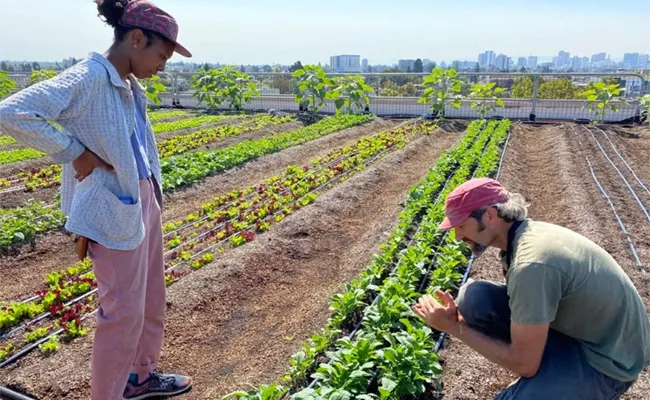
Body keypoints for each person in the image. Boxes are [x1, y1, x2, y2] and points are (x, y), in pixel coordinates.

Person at [0, 0, 193, 398]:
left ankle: (140, 377)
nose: (163, 66)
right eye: (162, 55)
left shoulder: (127, 83)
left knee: (150, 300)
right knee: (121, 312)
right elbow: (12, 111)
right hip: (109, 207)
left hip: (140, 201)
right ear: (137, 39)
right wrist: (76, 153)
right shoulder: (88, 77)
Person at [413, 177, 650, 400]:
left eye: (462, 226)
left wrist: (453, 327)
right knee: (475, 298)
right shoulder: (524, 235)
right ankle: (550, 373)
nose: (457, 236)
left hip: (609, 360)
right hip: (587, 334)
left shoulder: (532, 263)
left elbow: (525, 366)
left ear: (490, 215)